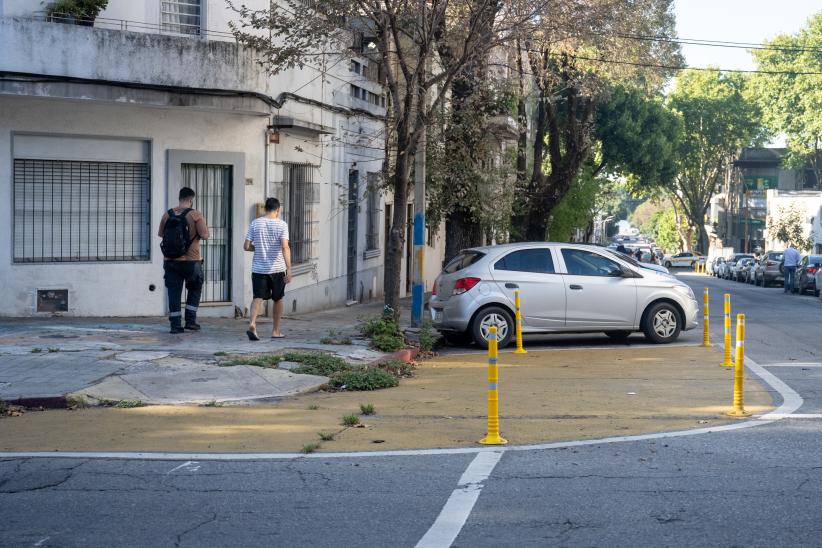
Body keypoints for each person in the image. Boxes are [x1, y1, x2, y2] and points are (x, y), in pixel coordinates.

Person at [158, 187, 209, 334]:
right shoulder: (196, 215)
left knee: (174, 292)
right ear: (191, 200)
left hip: (170, 260)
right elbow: (205, 235)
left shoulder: (167, 214)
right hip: (191, 260)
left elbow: (161, 234)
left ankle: (175, 325)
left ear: (179, 198)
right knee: (195, 288)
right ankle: (190, 322)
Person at [244, 197, 292, 340]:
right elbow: (284, 247)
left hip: (259, 269)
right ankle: (275, 331)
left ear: (265, 208)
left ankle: (252, 323)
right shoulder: (282, 225)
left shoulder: (255, 223)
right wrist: (289, 269)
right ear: (278, 210)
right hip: (277, 269)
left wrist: (258, 249)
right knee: (278, 299)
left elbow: (246, 246)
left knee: (257, 298)